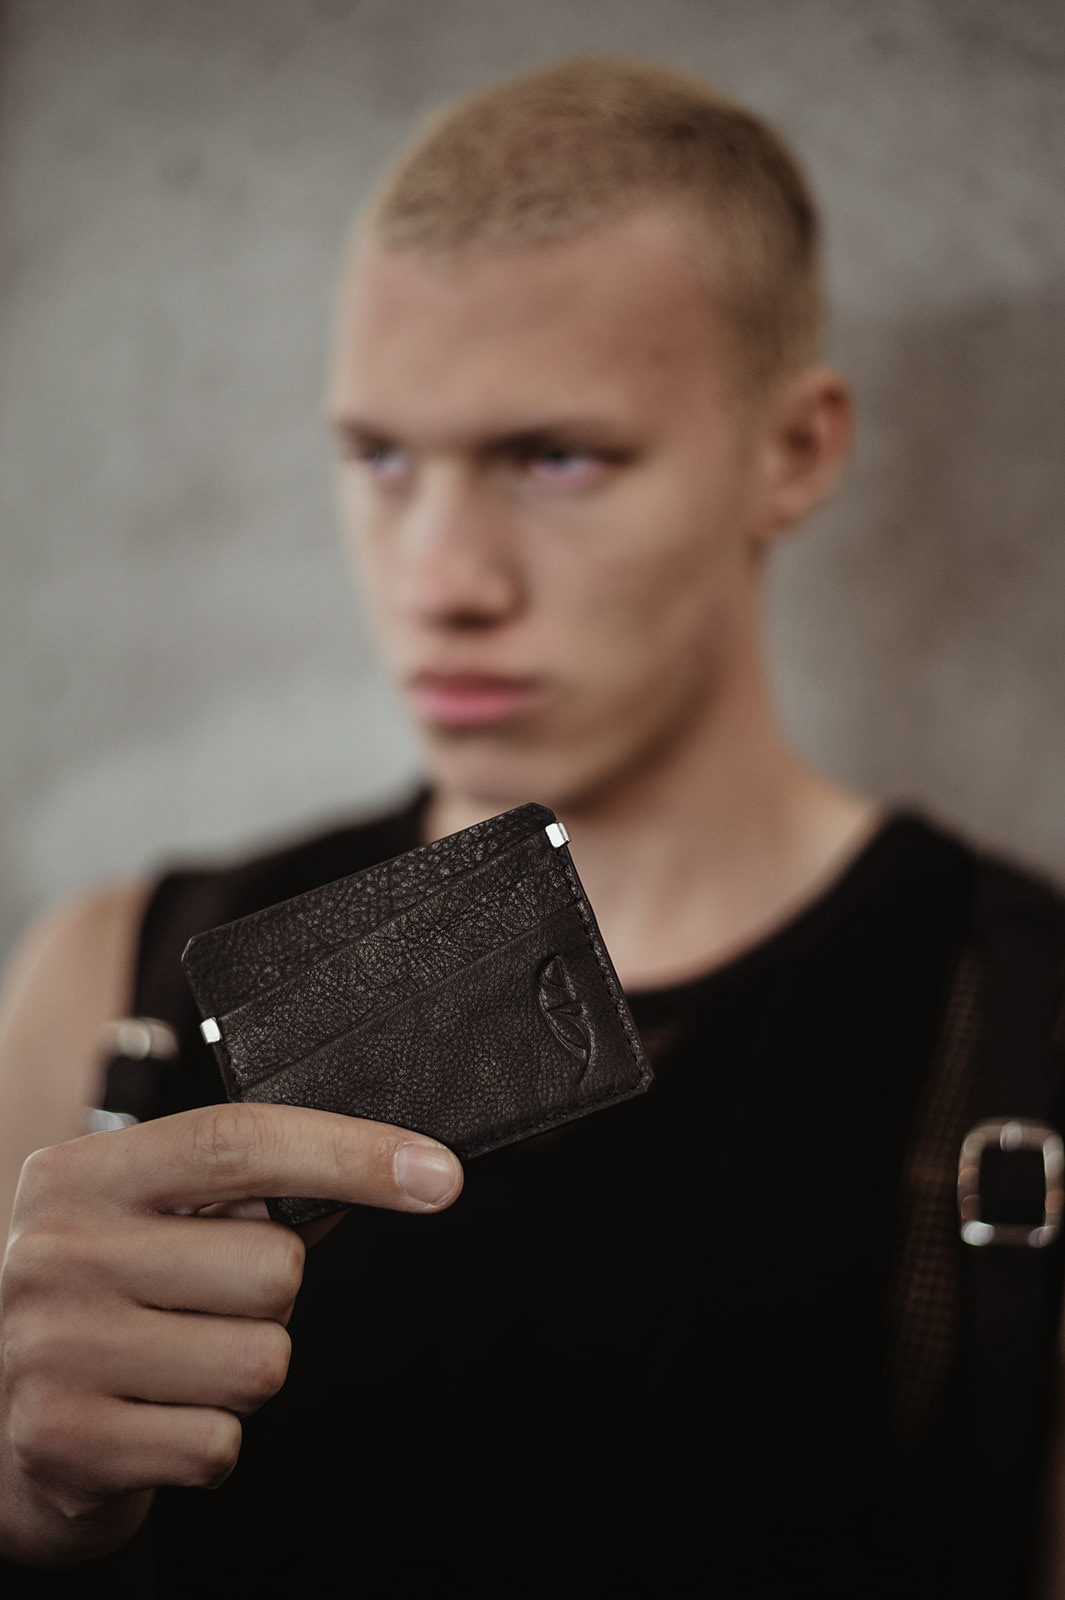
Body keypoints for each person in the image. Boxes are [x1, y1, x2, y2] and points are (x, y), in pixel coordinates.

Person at [0, 56, 1062, 1598]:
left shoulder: (1024, 1029)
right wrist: (27, 1510)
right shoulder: (115, 983)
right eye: (379, 456)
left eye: (555, 457)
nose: (438, 579)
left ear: (793, 452)